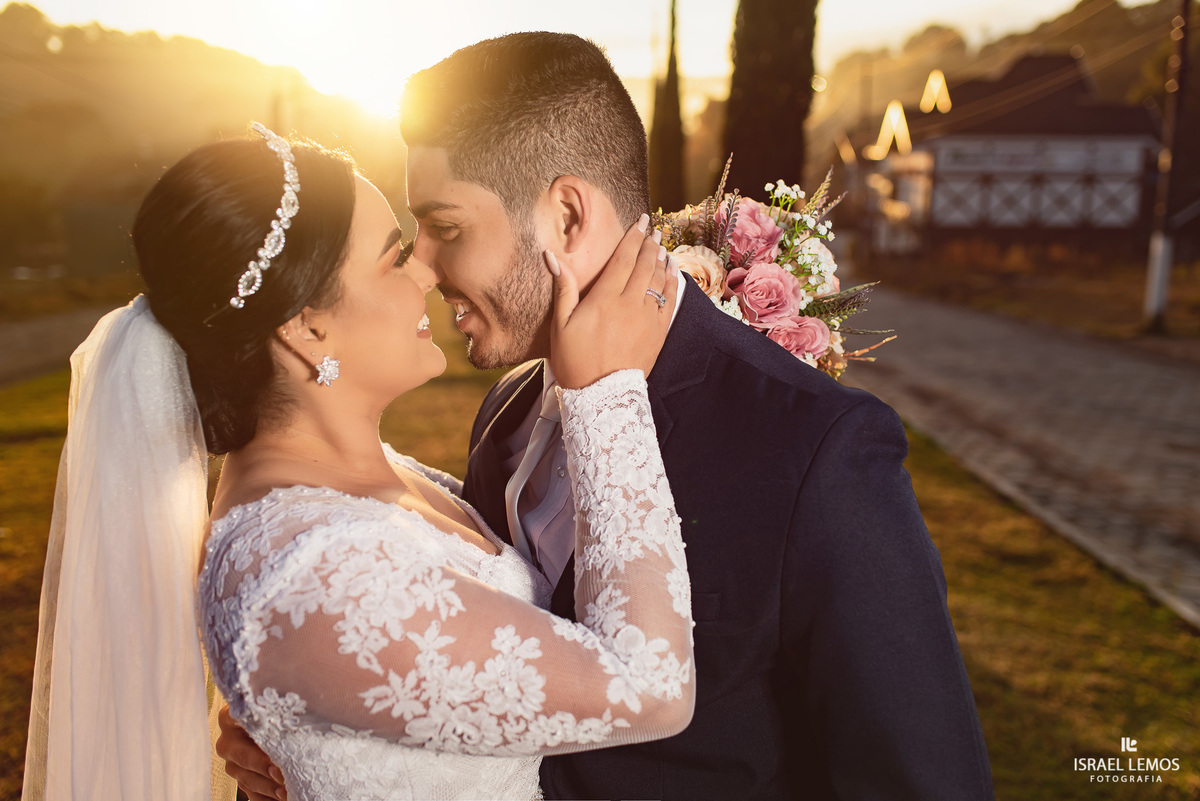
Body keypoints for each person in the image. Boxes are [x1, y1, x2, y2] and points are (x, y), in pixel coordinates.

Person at [220, 32, 995, 801]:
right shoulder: (508, 414)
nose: (422, 266)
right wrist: (329, 736)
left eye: (446, 227)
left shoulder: (814, 452)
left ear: (564, 217)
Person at [23, 121, 694, 801]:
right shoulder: (311, 570)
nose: (428, 271)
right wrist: (605, 391)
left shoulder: (360, 482)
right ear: (305, 327)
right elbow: (651, 687)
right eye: (394, 257)